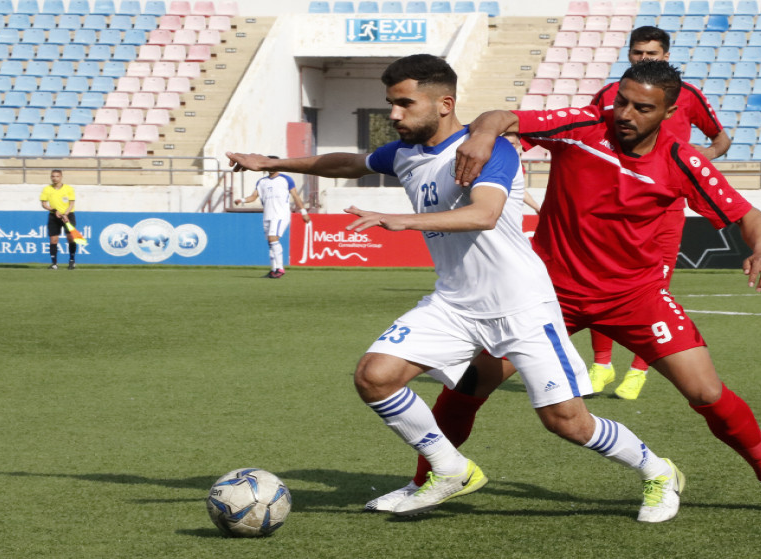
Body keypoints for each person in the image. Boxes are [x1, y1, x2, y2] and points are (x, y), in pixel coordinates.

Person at [227, 54, 686, 522]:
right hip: (455, 303)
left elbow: (484, 214)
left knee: (566, 422)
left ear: (444, 103)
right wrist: (273, 162)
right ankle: (451, 470)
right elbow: (350, 161)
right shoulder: (404, 152)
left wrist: (402, 221)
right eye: (390, 104)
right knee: (375, 376)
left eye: (405, 104)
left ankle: (658, 471)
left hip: (521, 305)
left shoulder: (491, 150)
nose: (394, 115)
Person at [374, 60, 761, 517]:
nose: (625, 114)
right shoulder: (585, 126)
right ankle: (428, 480)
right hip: (547, 295)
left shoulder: (681, 160)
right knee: (468, 387)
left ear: (669, 112)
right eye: (621, 101)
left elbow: (749, 216)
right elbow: (502, 118)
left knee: (707, 393)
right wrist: (482, 133)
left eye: (642, 108)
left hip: (637, 297)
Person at [586, 25, 734, 400]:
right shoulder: (608, 96)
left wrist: (694, 163)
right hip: (612, 205)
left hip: (664, 209)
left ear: (665, 56)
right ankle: (601, 365)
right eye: (638, 53)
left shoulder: (686, 96)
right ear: (629, 54)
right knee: (599, 281)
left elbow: (721, 139)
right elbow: (587, 139)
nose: (644, 59)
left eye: (651, 54)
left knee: (653, 287)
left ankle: (638, 370)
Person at [234, 156, 311, 278]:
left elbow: (296, 196)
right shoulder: (262, 182)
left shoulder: (286, 179)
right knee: (271, 243)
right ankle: (274, 269)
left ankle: (280, 268)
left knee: (273, 239)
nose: (270, 167)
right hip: (267, 215)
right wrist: (242, 200)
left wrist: (304, 213)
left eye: (272, 164)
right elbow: (253, 197)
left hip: (280, 214)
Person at [39, 169, 78, 270]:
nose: (55, 178)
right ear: (51, 177)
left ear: (61, 177)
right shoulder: (47, 189)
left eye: (57, 176)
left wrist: (65, 214)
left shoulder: (68, 189)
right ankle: (54, 263)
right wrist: (54, 210)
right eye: (53, 176)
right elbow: (44, 204)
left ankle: (72, 260)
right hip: (54, 216)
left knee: (70, 238)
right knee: (53, 240)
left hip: (68, 215)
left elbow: (71, 204)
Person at [502, 131, 541, 214]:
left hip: (510, 208)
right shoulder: (495, 160)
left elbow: (519, 190)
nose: (507, 146)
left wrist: (537, 207)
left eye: (511, 143)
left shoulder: (517, 164)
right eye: (504, 142)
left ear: (518, 145)